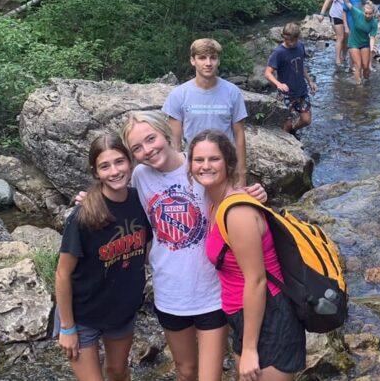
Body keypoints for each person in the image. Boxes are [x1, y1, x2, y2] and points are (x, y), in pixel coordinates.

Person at [120, 111, 268, 381]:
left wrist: (256, 194)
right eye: (137, 148)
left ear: (166, 134)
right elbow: (122, 202)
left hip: (210, 290)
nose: (147, 150)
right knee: (186, 370)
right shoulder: (140, 176)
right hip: (169, 290)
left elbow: (231, 196)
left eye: (151, 139)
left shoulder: (200, 165)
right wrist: (90, 199)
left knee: (209, 376)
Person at [194, 130, 306, 381]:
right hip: (242, 315)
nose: (205, 166)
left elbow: (256, 280)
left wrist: (249, 349)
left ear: (229, 163)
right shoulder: (213, 203)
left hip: (269, 315)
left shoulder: (238, 212)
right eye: (198, 160)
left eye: (214, 159)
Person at [55, 135, 151, 381]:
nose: (115, 171)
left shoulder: (140, 201)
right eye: (105, 166)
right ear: (95, 172)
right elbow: (63, 273)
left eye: (119, 162)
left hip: (121, 309)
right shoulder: (83, 216)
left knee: (118, 372)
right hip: (82, 315)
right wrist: (67, 327)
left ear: (130, 162)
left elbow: (149, 251)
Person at [163, 38, 248, 186]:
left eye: (213, 58)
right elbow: (174, 140)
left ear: (218, 61)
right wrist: (177, 174)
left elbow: (239, 135)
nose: (208, 63)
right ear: (193, 60)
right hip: (194, 167)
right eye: (202, 58)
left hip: (226, 166)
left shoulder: (232, 92)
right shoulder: (178, 95)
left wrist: (241, 174)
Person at [264, 23, 317, 137]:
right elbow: (268, 73)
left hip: (301, 91)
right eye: (287, 40)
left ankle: (293, 130)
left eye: (293, 40)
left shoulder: (300, 46)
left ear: (297, 38)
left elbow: (301, 66)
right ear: (284, 37)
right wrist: (278, 84)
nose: (290, 43)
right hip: (286, 94)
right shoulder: (279, 52)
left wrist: (310, 81)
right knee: (286, 125)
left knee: (306, 120)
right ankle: (287, 139)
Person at [317, 0, 351, 69]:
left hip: (346, 17)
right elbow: (328, 0)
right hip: (336, 15)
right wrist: (322, 14)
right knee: (340, 37)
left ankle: (344, 56)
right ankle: (338, 60)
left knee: (346, 37)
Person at [345, 1, 378, 85]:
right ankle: (359, 87)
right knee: (358, 65)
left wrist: (371, 48)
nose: (367, 15)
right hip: (353, 42)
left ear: (373, 13)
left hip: (364, 43)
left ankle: (366, 82)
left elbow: (372, 37)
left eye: (370, 14)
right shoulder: (357, 14)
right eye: (366, 13)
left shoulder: (374, 23)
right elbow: (347, 3)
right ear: (363, 11)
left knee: (366, 66)